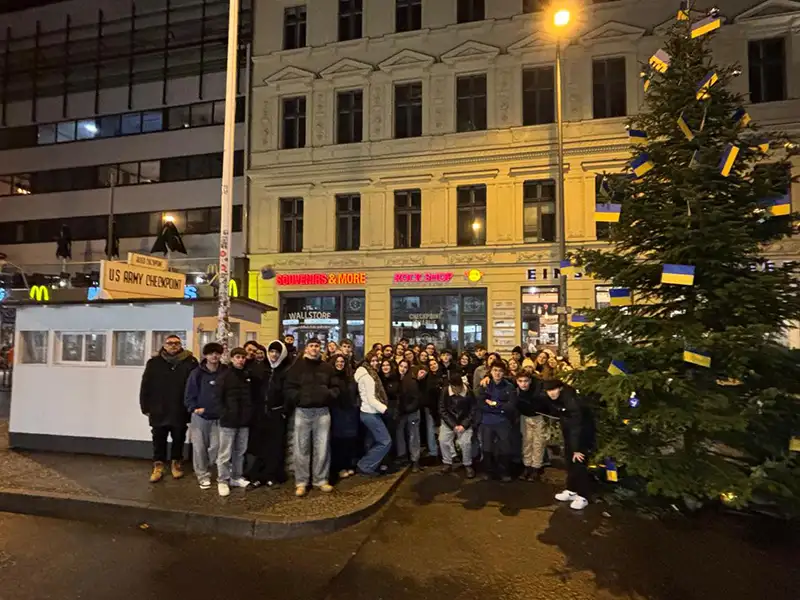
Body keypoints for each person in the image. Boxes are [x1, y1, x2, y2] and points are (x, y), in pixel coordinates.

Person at [284, 338, 338, 497]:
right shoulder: (297, 367)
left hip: (322, 411)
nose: (314, 348)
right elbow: (289, 387)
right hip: (303, 411)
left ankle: (321, 480)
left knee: (322, 447)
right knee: (301, 447)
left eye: (317, 346)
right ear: (306, 348)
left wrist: (328, 395)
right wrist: (299, 398)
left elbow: (335, 386)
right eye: (311, 346)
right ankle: (301, 482)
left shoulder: (327, 367)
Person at [140, 334, 198, 483]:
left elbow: (195, 386)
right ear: (164, 345)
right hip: (158, 408)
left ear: (181, 345)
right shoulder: (154, 362)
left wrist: (192, 406)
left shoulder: (190, 362)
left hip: (180, 408)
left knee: (179, 438)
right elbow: (145, 385)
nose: (173, 345)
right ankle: (158, 466)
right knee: (158, 438)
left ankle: (176, 464)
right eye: (170, 343)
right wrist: (145, 406)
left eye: (176, 343)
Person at [246, 340, 290, 490]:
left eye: (277, 352)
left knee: (274, 447)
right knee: (259, 446)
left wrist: (284, 410)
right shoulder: (261, 368)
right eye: (271, 351)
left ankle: (271, 475)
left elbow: (288, 393)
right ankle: (256, 476)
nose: (274, 355)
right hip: (260, 414)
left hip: (276, 414)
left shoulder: (285, 371)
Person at [545, 379, 595, 510]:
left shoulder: (571, 401)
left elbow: (577, 426)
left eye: (554, 390)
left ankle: (583, 496)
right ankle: (572, 490)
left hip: (581, 438)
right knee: (570, 463)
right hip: (570, 436)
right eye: (549, 391)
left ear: (560, 388)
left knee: (579, 464)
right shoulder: (560, 399)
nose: (551, 393)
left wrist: (577, 448)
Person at [184, 342, 224, 490]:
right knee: (199, 448)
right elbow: (189, 393)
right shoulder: (197, 373)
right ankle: (202, 476)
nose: (214, 356)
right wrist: (194, 408)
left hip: (219, 417)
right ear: (205, 355)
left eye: (217, 353)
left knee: (216, 447)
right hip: (200, 417)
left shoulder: (225, 372)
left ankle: (212, 469)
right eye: (211, 353)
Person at [216, 347, 254, 497]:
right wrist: (224, 413)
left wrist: (249, 414)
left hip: (244, 421)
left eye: (243, 357)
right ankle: (223, 480)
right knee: (225, 453)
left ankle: (236, 477)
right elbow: (217, 397)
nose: (241, 360)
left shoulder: (247, 375)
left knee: (240, 451)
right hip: (228, 421)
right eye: (238, 357)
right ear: (232, 358)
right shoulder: (224, 376)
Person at [478, 361, 517, 482]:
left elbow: (511, 406)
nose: (497, 373)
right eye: (495, 370)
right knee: (487, 447)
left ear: (504, 373)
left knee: (505, 447)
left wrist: (495, 404)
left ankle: (504, 472)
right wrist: (499, 407)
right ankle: (487, 471)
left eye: (500, 371)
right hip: (487, 420)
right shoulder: (485, 385)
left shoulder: (509, 387)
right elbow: (481, 403)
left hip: (503, 420)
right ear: (490, 371)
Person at [354, 352, 392, 476]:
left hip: (368, 412)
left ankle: (370, 465)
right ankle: (365, 465)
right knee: (385, 441)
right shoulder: (368, 377)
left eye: (377, 361)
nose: (376, 363)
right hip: (370, 412)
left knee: (372, 441)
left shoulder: (368, 374)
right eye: (373, 361)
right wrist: (385, 409)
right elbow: (371, 399)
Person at [439, 371, 477, 478]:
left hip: (464, 421)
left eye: (458, 388)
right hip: (449, 421)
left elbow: (473, 410)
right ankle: (447, 462)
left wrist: (464, 425)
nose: (456, 391)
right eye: (454, 388)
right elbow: (442, 409)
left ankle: (467, 464)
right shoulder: (445, 391)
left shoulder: (468, 392)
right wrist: (453, 425)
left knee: (465, 443)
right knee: (443, 440)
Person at [330, 354, 360, 481]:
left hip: (350, 411)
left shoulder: (350, 377)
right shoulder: (331, 377)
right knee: (338, 441)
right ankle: (340, 467)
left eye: (342, 361)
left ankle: (349, 464)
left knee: (350, 439)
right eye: (337, 361)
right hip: (337, 411)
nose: (340, 364)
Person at [515, 371, 548, 481]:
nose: (523, 384)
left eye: (526, 381)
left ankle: (536, 467)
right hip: (524, 417)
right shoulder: (516, 390)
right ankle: (527, 465)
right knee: (527, 441)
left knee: (538, 442)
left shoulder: (538, 389)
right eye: (520, 381)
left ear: (530, 381)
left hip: (538, 417)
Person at [395, 359, 423, 472]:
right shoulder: (396, 380)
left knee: (413, 436)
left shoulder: (411, 381)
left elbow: (416, 398)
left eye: (405, 367)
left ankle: (415, 460)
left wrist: (408, 409)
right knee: (399, 434)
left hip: (411, 411)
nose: (402, 369)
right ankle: (402, 456)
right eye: (401, 366)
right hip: (401, 412)